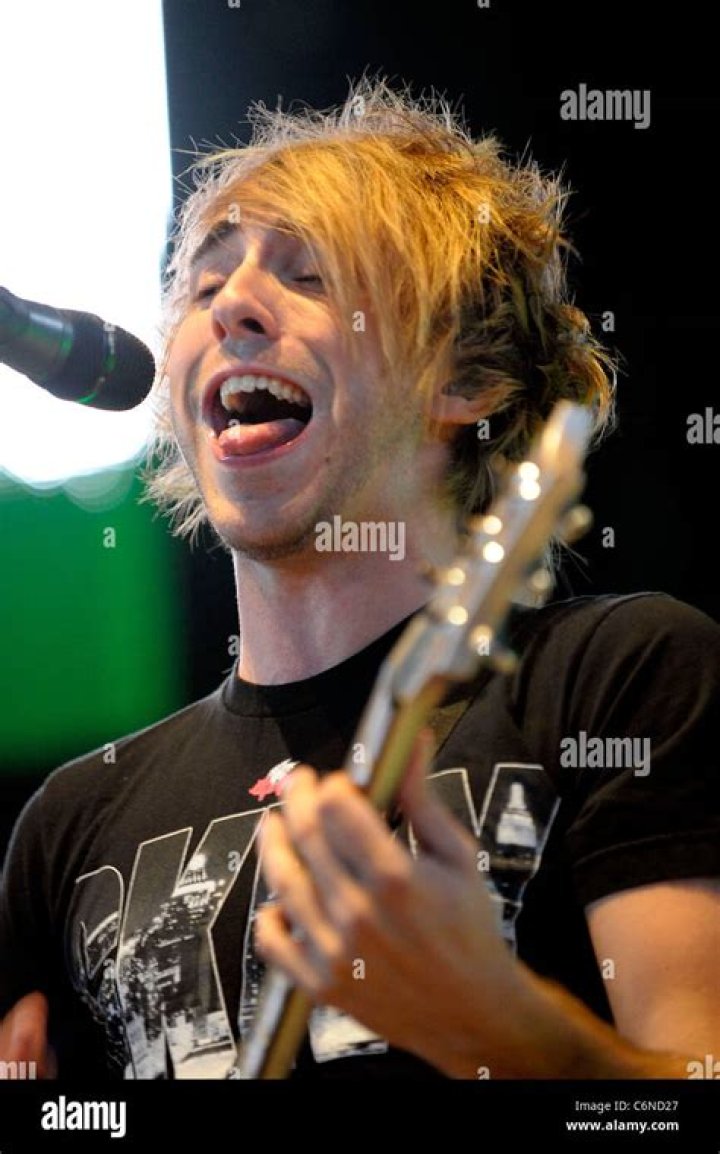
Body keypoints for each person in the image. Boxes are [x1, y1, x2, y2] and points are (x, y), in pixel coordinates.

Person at [1, 78, 718, 1081]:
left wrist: (507, 1031)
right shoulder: (69, 823)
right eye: (204, 287)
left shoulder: (621, 677)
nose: (233, 304)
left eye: (310, 275)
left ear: (465, 380)